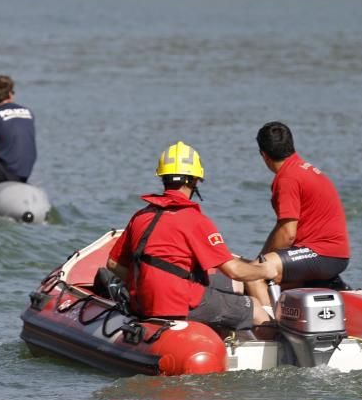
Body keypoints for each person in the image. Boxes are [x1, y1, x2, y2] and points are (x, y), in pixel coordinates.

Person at [106, 141, 275, 334]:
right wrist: (267, 270)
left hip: (141, 302)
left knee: (235, 285)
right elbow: (234, 270)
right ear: (193, 180)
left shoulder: (141, 216)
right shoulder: (195, 220)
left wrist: (146, 284)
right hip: (178, 303)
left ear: (163, 178)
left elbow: (112, 263)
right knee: (253, 306)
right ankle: (271, 356)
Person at [245, 122, 350, 313]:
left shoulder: (287, 179)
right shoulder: (301, 168)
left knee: (255, 275)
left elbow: (287, 234)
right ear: (291, 145)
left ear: (263, 155)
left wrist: (259, 265)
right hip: (333, 254)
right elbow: (282, 227)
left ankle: (268, 329)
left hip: (322, 253)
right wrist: (263, 257)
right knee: (263, 267)